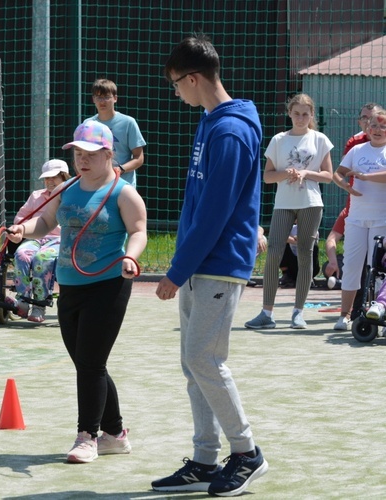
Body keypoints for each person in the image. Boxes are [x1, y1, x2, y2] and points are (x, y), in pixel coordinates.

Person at [153, 34, 268, 496]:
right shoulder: (211, 122)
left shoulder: (230, 130)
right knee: (193, 362)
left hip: (219, 263)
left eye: (176, 84)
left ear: (194, 78)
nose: (176, 92)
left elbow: (218, 210)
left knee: (205, 358)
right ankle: (204, 458)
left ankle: (246, 453)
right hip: (203, 262)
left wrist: (176, 270)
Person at [7, 120, 146, 464]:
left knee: (90, 363)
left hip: (109, 285)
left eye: (91, 154)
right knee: (88, 363)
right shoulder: (67, 187)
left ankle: (88, 436)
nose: (83, 160)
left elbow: (139, 229)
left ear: (109, 155)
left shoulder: (122, 191)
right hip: (69, 287)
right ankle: (116, 434)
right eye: (78, 153)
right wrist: (22, 230)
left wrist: (131, 256)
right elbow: (46, 223)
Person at [244, 93, 333, 330]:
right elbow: (268, 176)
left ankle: (298, 313)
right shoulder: (279, 140)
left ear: (312, 115)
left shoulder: (320, 139)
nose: (301, 118)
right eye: (296, 113)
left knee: (305, 254)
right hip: (283, 203)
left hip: (311, 203)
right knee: (273, 252)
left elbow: (328, 176)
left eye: (305, 114)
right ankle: (267, 313)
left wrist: (306, 174)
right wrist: (288, 173)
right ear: (289, 114)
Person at [328, 103, 382, 327]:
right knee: (351, 266)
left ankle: (379, 314)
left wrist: (367, 177)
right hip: (356, 219)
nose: (378, 129)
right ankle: (345, 315)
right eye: (374, 125)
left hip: (382, 219)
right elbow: (337, 174)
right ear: (367, 128)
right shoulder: (356, 151)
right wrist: (346, 186)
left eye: (383, 126)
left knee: (378, 269)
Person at [4, 159, 71, 323]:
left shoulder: (70, 196)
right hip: (36, 237)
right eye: (46, 178)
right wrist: (18, 230)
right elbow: (21, 217)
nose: (49, 181)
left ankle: (39, 305)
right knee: (22, 254)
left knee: (43, 258)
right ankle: (23, 300)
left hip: (58, 239)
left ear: (64, 177)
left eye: (53, 177)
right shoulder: (36, 196)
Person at [88, 79, 146, 186]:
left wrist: (120, 169)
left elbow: (139, 158)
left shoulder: (128, 123)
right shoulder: (88, 124)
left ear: (115, 98)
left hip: (122, 185)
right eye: (99, 97)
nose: (102, 101)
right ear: (93, 99)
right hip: (96, 185)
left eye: (106, 97)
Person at [278, 224, 321, 288]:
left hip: (308, 264)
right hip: (292, 265)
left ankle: (309, 277)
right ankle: (286, 275)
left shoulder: (313, 229)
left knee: (314, 247)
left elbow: (309, 240)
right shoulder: (291, 228)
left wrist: (301, 240)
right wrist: (295, 241)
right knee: (281, 244)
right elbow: (281, 236)